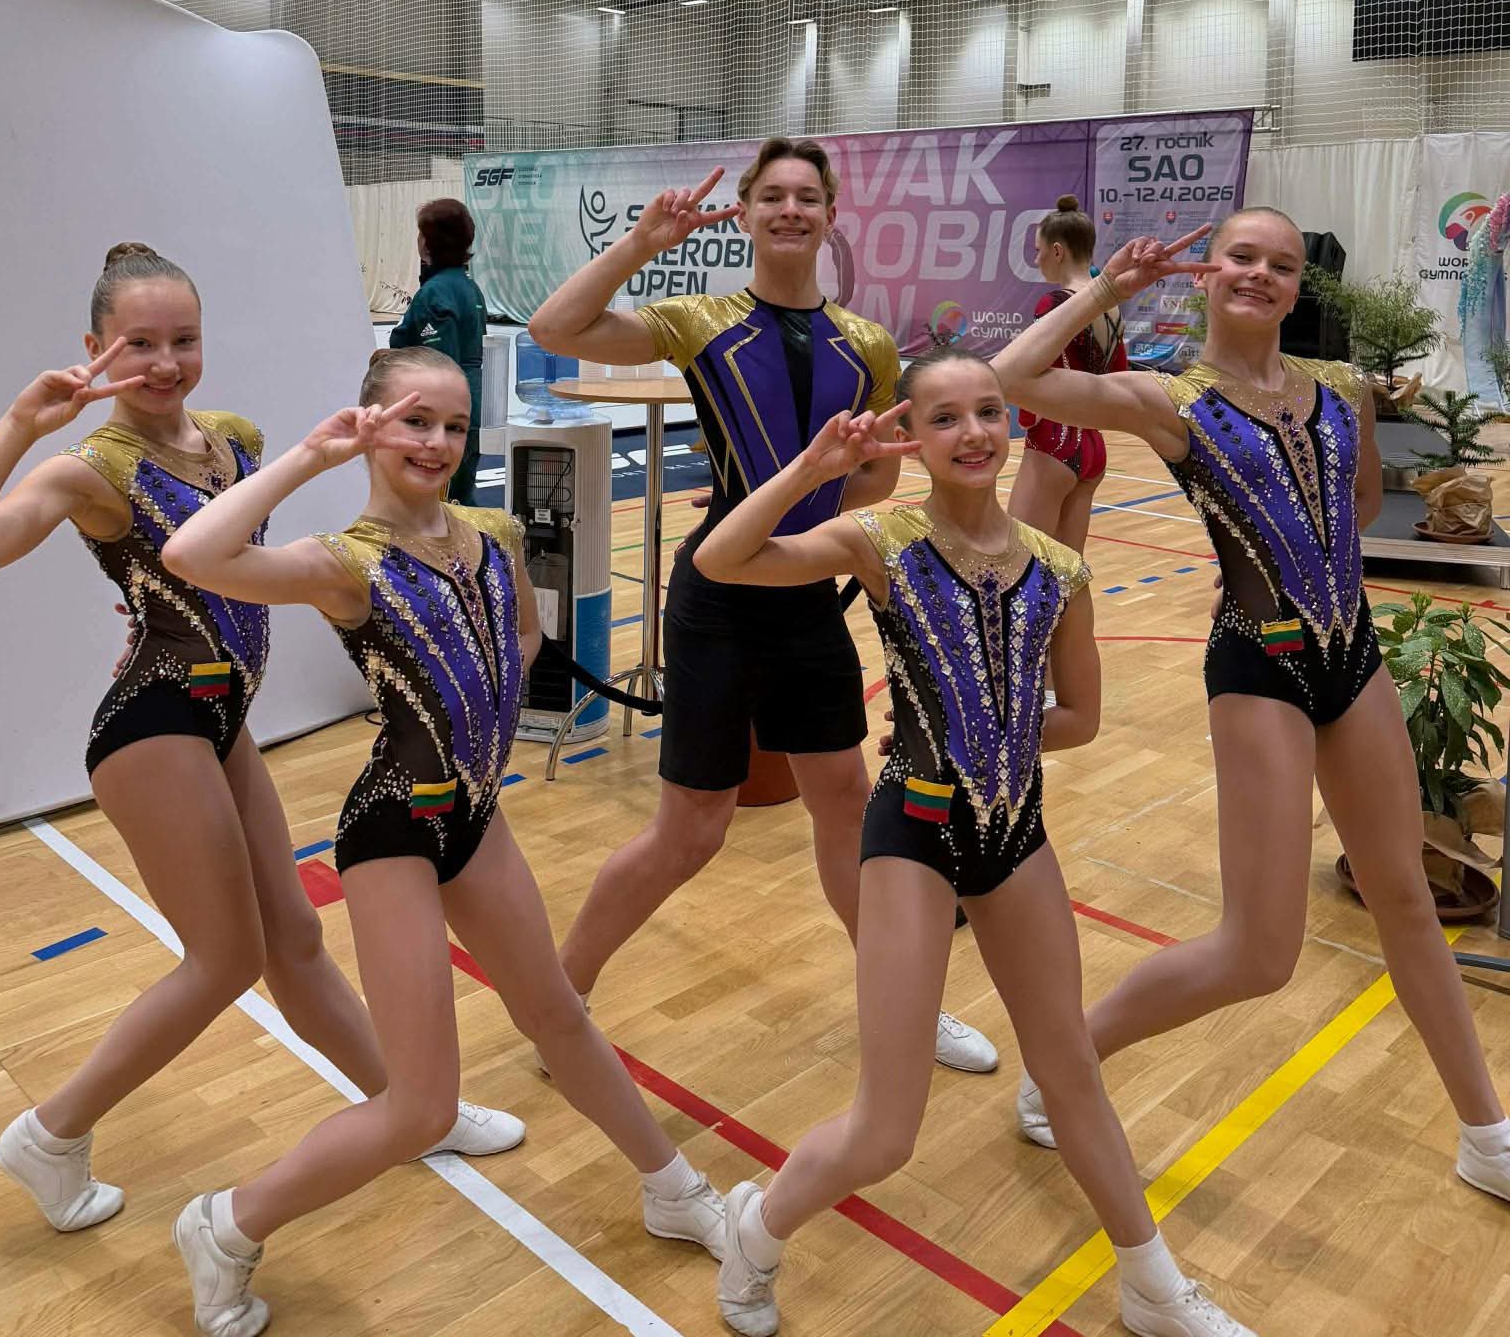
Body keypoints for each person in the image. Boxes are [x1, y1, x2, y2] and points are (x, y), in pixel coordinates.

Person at [161, 347, 728, 1335]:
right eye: (414, 421)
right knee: (421, 1107)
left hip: (475, 814)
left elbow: (524, 641)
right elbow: (191, 557)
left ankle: (672, 1186)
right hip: (393, 831)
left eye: (455, 426)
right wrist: (309, 456)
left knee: (557, 1012)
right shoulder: (347, 561)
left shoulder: (493, 533)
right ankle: (226, 1222)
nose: (436, 442)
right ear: (369, 425)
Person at [693, 351, 1252, 1337]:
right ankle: (758, 1223)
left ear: (1013, 423)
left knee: (1071, 1071)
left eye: (990, 410)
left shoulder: (1059, 567)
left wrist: (988, 726)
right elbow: (723, 560)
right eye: (945, 416)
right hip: (911, 833)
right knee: (885, 1131)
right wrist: (814, 470)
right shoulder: (881, 539)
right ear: (914, 435)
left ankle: (1154, 1286)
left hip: (1015, 833)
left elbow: (1079, 717)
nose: (973, 432)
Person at [0, 245, 518, 1243]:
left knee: (295, 940)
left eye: (183, 339)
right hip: (153, 725)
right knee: (224, 958)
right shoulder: (88, 467)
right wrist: (19, 424)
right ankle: (50, 1132)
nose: (164, 363)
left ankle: (412, 1108)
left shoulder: (233, 437)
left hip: (221, 719)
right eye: (138, 344)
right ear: (95, 346)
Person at [991, 211, 1510, 1203]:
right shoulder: (1171, 398)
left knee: (1406, 894)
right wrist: (1108, 289)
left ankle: (1487, 1133)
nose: (1260, 274)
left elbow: (1360, 507)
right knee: (1258, 953)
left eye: (1282, 263)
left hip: (1351, 657)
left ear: (1296, 285)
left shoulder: (1338, 386)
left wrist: (1296, 551)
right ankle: (1067, 1061)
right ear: (1207, 272)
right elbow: (1011, 378)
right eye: (1241, 257)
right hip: (1259, 667)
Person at [527, 137, 997, 1075]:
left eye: (807, 197)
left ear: (831, 215)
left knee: (845, 804)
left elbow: (871, 481)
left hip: (806, 595)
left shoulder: (866, 345)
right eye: (772, 196)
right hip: (718, 598)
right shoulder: (701, 321)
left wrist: (818, 506)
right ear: (744, 214)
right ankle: (560, 1000)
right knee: (689, 833)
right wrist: (641, 245)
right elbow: (555, 327)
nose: (790, 210)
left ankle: (904, 1000)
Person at [1008, 195, 1128, 548]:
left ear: (1057, 251)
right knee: (1069, 568)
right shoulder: (1112, 307)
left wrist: (1025, 420)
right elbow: (1118, 375)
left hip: (1053, 440)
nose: (1037, 259)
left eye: (1038, 250)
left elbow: (1028, 375)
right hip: (1093, 445)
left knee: (1023, 559)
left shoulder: (1054, 303)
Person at [388, 198, 487, 505]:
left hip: (441, 416)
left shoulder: (435, 294)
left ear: (429, 242)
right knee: (460, 497)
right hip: (469, 408)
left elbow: (440, 365)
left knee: (440, 503)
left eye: (422, 233)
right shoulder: (470, 288)